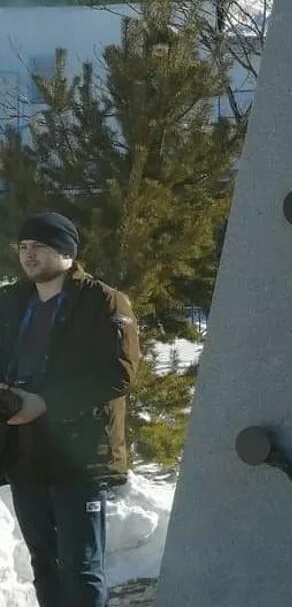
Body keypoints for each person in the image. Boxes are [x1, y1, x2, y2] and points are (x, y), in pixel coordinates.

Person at [0, 213, 140, 607]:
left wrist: (45, 402)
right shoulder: (12, 300)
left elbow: (120, 372)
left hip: (78, 455)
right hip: (24, 452)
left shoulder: (103, 300)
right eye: (23, 247)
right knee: (44, 563)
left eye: (38, 247)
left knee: (80, 567)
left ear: (66, 250)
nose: (28, 256)